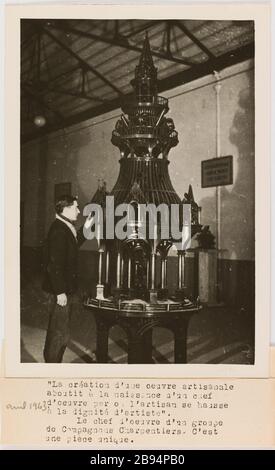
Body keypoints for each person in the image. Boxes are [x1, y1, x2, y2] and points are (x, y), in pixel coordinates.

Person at [42, 194, 89, 363]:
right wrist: (60, 292)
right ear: (66, 209)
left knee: (62, 332)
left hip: (62, 291)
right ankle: (52, 369)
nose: (78, 210)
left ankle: (54, 364)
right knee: (58, 333)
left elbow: (73, 245)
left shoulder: (64, 226)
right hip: (59, 293)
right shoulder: (59, 231)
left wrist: (86, 228)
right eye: (75, 207)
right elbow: (54, 265)